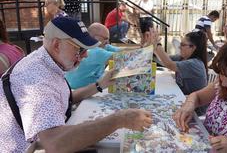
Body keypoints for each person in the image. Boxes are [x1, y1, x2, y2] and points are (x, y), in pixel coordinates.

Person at [0, 17, 152, 152]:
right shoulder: (37, 80)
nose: (85, 55)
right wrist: (120, 119)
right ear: (57, 45)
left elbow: (63, 97)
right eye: (80, 48)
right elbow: (55, 144)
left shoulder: (48, 61)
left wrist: (100, 85)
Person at [148, 29, 208, 96]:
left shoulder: (195, 64)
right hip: (183, 96)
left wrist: (157, 44)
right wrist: (153, 46)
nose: (179, 47)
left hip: (194, 104)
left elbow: (169, 64)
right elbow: (163, 59)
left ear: (193, 48)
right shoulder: (182, 58)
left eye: (182, 45)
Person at [65, 22, 121, 89]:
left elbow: (123, 51)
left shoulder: (101, 45)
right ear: (94, 38)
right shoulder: (94, 51)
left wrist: (136, 49)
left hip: (76, 88)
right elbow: (123, 57)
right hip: (77, 92)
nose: (107, 42)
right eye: (105, 39)